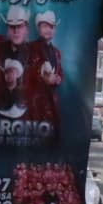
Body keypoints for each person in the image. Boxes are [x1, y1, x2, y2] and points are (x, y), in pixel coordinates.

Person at [25, 9, 63, 141]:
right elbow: (25, 73)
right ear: (38, 28)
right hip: (34, 101)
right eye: (44, 26)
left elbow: (60, 73)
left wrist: (58, 79)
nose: (48, 30)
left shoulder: (57, 52)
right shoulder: (30, 48)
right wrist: (43, 78)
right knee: (36, 138)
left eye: (51, 27)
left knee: (52, 138)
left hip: (51, 101)